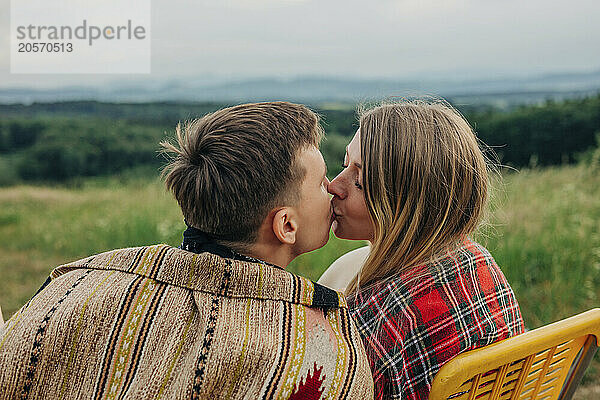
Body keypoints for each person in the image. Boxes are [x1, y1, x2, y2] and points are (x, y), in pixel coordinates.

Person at [0, 102, 374, 399]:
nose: (334, 188)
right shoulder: (325, 354)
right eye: (321, 180)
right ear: (286, 226)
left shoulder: (70, 288)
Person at [319, 100, 525, 400]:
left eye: (360, 180)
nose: (334, 186)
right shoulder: (478, 262)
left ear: (408, 203)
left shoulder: (380, 316)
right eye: (344, 163)